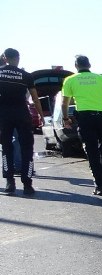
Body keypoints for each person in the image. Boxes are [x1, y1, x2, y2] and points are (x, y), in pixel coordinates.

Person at [61, 55, 102, 195]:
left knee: (92, 151)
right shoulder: (100, 78)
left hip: (85, 118)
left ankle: (99, 186)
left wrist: (66, 118)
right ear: (89, 65)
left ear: (76, 66)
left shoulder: (70, 80)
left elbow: (64, 103)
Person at [0, 48, 44, 195]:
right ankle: (27, 184)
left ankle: (9, 182)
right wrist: (41, 116)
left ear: (5, 58)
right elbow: (35, 98)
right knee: (27, 149)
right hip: (22, 115)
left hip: (4, 115)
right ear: (18, 58)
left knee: (7, 148)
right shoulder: (26, 75)